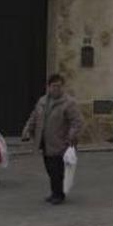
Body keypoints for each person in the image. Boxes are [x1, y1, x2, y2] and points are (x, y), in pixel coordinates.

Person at [21, 74, 84, 205]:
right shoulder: (42, 101)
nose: (57, 89)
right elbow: (34, 117)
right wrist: (27, 129)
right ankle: (55, 192)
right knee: (50, 168)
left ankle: (58, 194)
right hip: (45, 142)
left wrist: (71, 136)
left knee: (57, 170)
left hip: (61, 142)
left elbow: (77, 122)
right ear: (48, 87)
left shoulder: (69, 103)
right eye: (54, 86)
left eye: (59, 86)